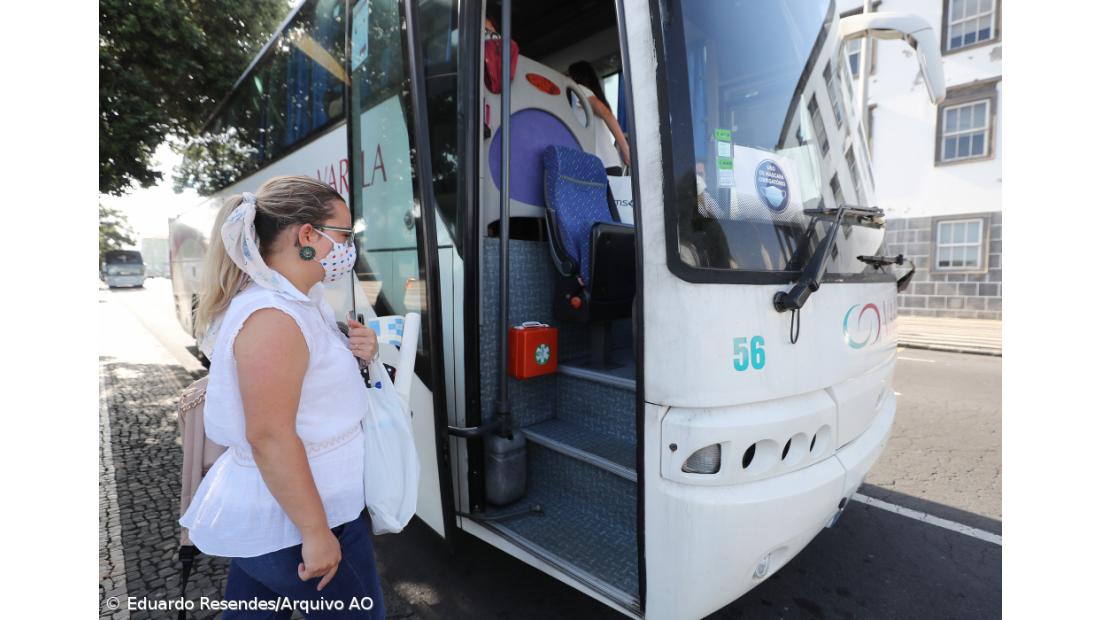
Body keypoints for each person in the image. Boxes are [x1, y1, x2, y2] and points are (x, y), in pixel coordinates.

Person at [180, 175, 385, 618]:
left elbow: (308, 389)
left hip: (285, 517)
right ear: (307, 236)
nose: (348, 248)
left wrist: (360, 353)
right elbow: (270, 434)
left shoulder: (297, 302)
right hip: (304, 520)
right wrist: (315, 532)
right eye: (344, 235)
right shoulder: (274, 316)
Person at [567, 60, 631, 174]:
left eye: (570, 75)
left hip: (601, 165)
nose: (568, 79)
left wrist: (624, 148)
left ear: (576, 76)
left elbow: (607, 114)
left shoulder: (579, 90)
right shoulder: (591, 95)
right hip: (607, 163)